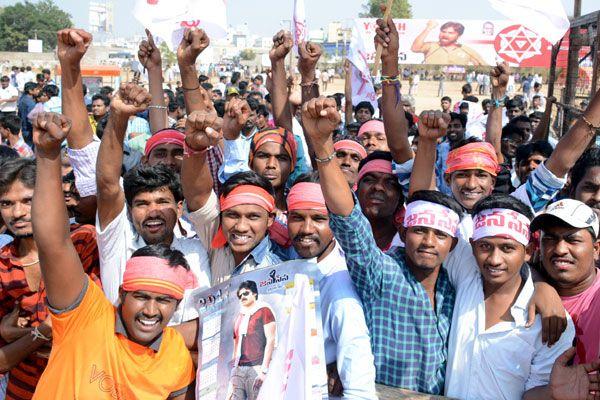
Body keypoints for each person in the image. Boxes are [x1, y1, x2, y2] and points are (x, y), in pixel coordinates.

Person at [29, 112, 196, 399]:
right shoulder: (85, 317)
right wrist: (47, 157)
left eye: (164, 300)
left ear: (177, 304)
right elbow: (53, 243)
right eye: (141, 296)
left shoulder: (175, 355)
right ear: (121, 293)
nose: (151, 311)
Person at [95, 83, 211, 324]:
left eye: (162, 201)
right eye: (142, 204)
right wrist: (118, 116)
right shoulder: (119, 243)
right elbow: (107, 184)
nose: (153, 211)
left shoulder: (198, 249)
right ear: (129, 209)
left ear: (180, 208)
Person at [443, 194, 575, 399]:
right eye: (485, 246)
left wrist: (551, 393)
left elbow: (537, 391)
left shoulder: (553, 322)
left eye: (507, 248)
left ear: (529, 251)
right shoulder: (465, 270)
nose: (495, 260)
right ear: (471, 245)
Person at [0, 157, 100, 400]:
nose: (17, 213)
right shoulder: (2, 264)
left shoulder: (84, 242)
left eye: (28, 200)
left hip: (82, 388)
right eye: (6, 203)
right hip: (23, 391)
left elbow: (87, 328)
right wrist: (41, 333)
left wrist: (17, 336)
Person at [286, 174, 377, 398]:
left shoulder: (340, 288)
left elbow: (359, 389)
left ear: (335, 222)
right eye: (297, 217)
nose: (306, 229)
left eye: (319, 218)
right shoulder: (289, 263)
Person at [531, 199, 600, 366]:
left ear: (596, 249)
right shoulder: (521, 290)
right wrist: (538, 283)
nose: (560, 249)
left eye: (573, 240)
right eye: (550, 239)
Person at [228, 281, 276, 400]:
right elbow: (236, 342)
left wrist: (264, 371)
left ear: (254, 294)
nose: (242, 297)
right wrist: (234, 369)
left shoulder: (264, 310)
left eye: (246, 293)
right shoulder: (240, 316)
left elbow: (271, 340)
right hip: (239, 367)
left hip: (256, 366)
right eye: (240, 295)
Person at [411, 20, 486, 66]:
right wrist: (428, 28)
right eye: (443, 32)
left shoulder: (467, 50)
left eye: (450, 33)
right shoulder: (431, 46)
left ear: (459, 35)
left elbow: (484, 65)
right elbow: (415, 48)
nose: (445, 35)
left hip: (457, 86)